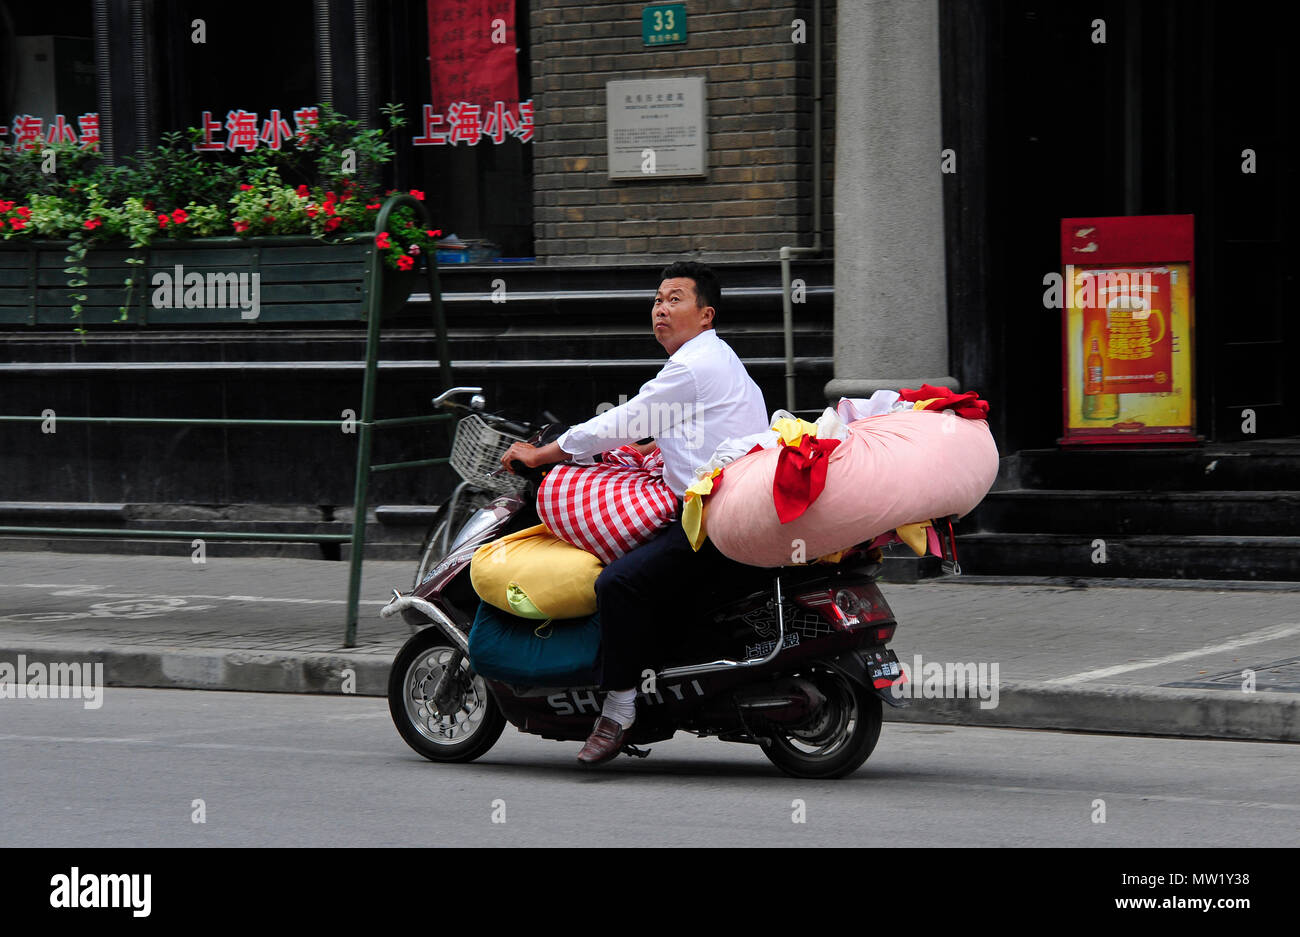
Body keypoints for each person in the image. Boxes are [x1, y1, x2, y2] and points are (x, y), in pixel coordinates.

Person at [500, 260, 770, 765]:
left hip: (710, 519)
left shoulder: (692, 366)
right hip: (726, 505)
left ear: (706, 314)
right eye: (657, 299)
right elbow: (681, 428)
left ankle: (618, 709)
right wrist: (652, 448)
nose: (661, 309)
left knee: (616, 583)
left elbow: (621, 421)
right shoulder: (717, 358)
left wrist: (543, 454)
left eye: (675, 299)